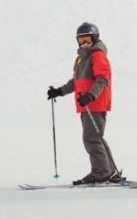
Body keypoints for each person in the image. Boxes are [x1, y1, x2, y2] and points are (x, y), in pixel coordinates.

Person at [46, 22, 122, 185]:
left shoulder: (98, 56)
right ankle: (108, 170)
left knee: (91, 138)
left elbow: (103, 79)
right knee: (96, 137)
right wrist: (59, 91)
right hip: (86, 104)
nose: (84, 43)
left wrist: (90, 96)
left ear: (94, 38)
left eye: (87, 39)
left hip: (94, 104)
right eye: (81, 40)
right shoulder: (81, 58)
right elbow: (76, 81)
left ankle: (101, 172)